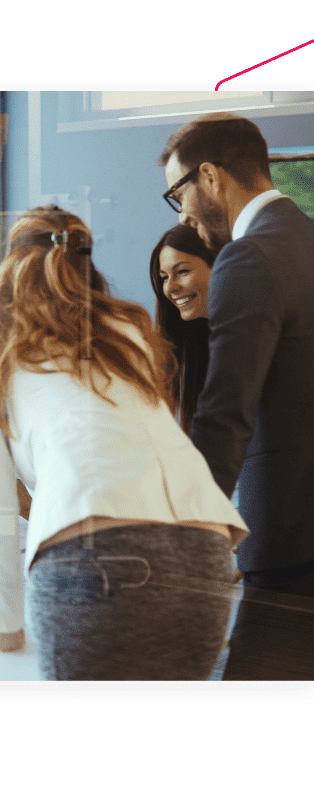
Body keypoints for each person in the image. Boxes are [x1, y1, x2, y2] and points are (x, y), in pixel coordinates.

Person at [0, 205, 248, 680]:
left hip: (95, 555)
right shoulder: (126, 329)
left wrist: (3, 623)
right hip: (204, 552)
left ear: (11, 266)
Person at [160, 114, 314, 679]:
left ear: (209, 175)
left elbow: (225, 415)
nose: (182, 212)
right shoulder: (307, 238)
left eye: (179, 194)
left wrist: (193, 542)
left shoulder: (247, 258)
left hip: (287, 538)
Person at [149, 223, 218, 433]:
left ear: (220, 265)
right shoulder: (194, 348)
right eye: (164, 277)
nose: (170, 287)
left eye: (182, 271)